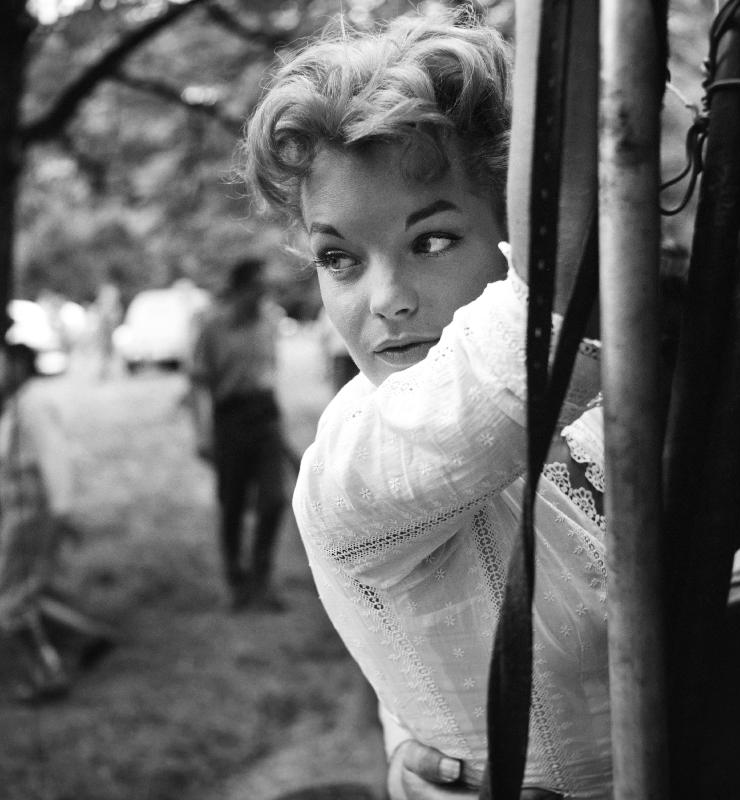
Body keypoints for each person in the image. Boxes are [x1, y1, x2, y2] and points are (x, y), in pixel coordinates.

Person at [245, 7, 609, 798]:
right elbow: (549, 314)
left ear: (509, 230)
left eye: (431, 240)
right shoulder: (349, 472)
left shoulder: (600, 420)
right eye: (337, 257)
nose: (386, 300)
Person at [190, 259, 287, 611]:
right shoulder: (213, 327)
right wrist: (202, 433)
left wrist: (281, 430)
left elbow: (270, 377)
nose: (263, 293)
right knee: (232, 504)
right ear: (240, 288)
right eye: (257, 286)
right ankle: (236, 581)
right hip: (230, 420)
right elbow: (199, 384)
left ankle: (262, 579)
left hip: (265, 416)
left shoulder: (268, 323)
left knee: (274, 500)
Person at [0, 343, 80, 700]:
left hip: (32, 513)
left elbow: (55, 460)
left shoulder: (33, 404)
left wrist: (61, 515)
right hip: (19, 512)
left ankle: (48, 673)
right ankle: (54, 662)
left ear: (18, 365)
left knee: (12, 601)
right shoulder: (16, 404)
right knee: (18, 597)